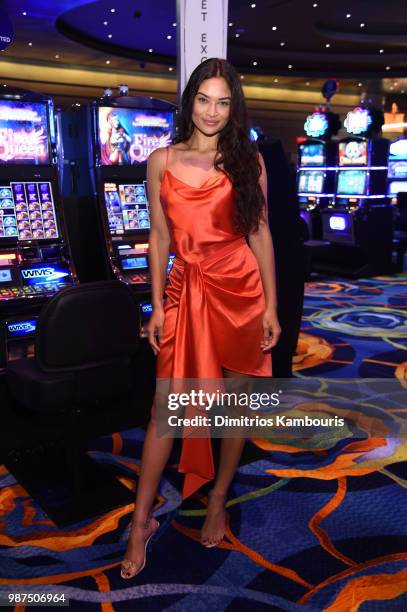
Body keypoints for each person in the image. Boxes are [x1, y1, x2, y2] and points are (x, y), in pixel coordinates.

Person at [121, 57, 281, 579]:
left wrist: (272, 307)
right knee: (165, 407)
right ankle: (140, 521)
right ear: (189, 100)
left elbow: (259, 234)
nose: (211, 111)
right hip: (185, 291)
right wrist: (157, 305)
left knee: (234, 404)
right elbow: (160, 239)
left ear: (233, 108)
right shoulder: (160, 159)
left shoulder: (246, 160)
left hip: (240, 291)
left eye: (223, 101)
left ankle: (217, 497)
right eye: (204, 99)